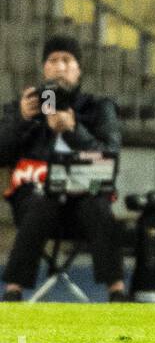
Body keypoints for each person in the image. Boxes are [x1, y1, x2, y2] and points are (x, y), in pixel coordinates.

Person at [1, 36, 126, 303]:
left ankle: (116, 291)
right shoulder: (25, 107)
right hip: (37, 200)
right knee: (40, 202)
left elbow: (111, 155)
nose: (60, 66)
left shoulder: (99, 108)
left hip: (85, 197)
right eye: (53, 60)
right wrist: (22, 119)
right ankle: (13, 290)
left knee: (98, 206)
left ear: (79, 69)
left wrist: (73, 130)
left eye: (67, 60)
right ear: (44, 68)